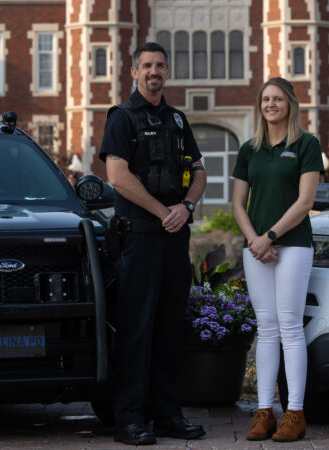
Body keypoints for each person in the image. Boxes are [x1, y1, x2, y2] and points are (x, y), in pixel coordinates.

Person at [99, 42, 207, 446]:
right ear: (134, 72)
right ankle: (129, 419)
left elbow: (198, 170)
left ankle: (167, 415)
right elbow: (117, 175)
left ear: (167, 72)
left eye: (160, 65)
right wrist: (163, 212)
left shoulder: (178, 120)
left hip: (175, 239)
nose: (154, 71)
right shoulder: (122, 118)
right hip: (140, 238)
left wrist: (187, 205)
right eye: (147, 66)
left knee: (168, 329)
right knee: (136, 329)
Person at [232, 77, 323, 442]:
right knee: (266, 328)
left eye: (278, 99)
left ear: (290, 104)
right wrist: (255, 241)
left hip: (293, 246)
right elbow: (238, 203)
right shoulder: (248, 150)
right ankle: (264, 412)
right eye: (266, 99)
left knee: (289, 326)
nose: (271, 104)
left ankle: (295, 413)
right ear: (260, 105)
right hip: (256, 248)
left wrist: (270, 236)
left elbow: (304, 202)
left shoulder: (306, 144)